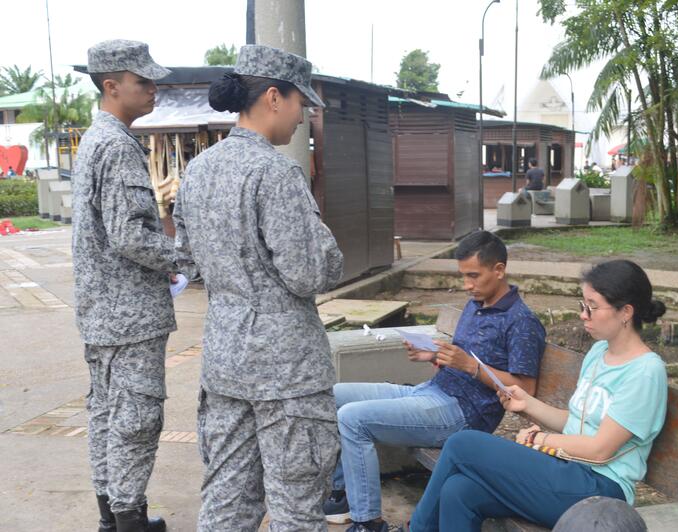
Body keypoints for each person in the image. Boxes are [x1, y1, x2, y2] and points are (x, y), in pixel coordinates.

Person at [172, 45, 343, 532]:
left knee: (227, 503)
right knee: (295, 512)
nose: (302, 115)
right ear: (273, 96)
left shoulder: (199, 169)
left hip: (225, 359)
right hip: (287, 371)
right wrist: (328, 248)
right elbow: (310, 272)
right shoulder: (275, 172)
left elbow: (187, 259)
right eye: (299, 103)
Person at [410, 259, 668, 531]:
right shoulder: (598, 353)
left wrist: (538, 439)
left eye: (592, 307)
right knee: (459, 491)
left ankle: (415, 529)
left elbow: (600, 448)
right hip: (569, 472)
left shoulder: (645, 372)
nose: (583, 315)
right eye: (583, 306)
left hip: (600, 490)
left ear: (625, 311)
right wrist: (528, 405)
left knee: (462, 444)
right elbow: (578, 422)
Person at [323, 231, 546, 532]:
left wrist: (471, 366)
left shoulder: (522, 322)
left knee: (352, 419)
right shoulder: (475, 303)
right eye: (463, 276)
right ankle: (342, 496)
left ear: (499, 269)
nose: (467, 285)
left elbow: (526, 390)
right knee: (334, 395)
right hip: (431, 393)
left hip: (462, 415)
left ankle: (368, 522)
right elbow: (461, 361)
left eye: (473, 276)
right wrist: (433, 356)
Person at [72, 40, 184, 532]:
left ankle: (114, 514)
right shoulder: (116, 145)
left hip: (101, 312)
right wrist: (184, 257)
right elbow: (129, 235)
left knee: (106, 414)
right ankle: (129, 517)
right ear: (112, 87)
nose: (153, 89)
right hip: (129, 314)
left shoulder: (95, 139)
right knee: (137, 419)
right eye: (143, 82)